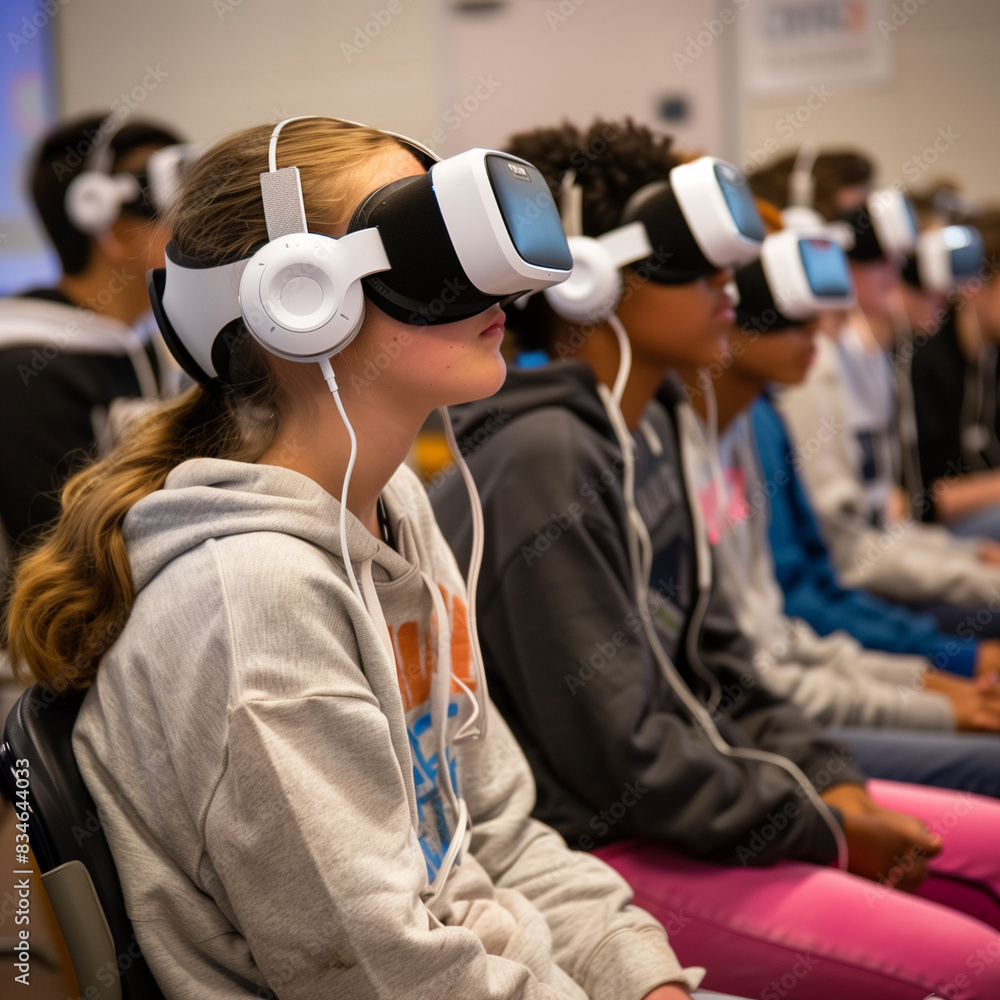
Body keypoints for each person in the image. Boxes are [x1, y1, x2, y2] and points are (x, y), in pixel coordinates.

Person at [4, 117, 717, 1000]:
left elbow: (493, 825)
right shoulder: (257, 604)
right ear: (297, 299)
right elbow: (385, 976)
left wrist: (644, 978)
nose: (493, 286)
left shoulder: (393, 509)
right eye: (430, 249)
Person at [431, 118, 1000, 1000]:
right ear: (590, 276)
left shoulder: (650, 431)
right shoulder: (545, 460)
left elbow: (722, 659)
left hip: (714, 805)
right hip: (611, 849)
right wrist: (819, 821)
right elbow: (627, 760)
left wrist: (825, 781)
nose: (733, 292)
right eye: (698, 267)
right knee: (973, 970)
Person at [672, 223, 1000, 797]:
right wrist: (939, 678)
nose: (818, 339)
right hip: (770, 714)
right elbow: (812, 601)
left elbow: (793, 617)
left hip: (813, 672)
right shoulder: (709, 432)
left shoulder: (756, 420)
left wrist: (928, 677)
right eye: (793, 320)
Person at [772, 197, 1000, 634]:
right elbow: (850, 558)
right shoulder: (816, 370)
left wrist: (968, 560)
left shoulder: (869, 361)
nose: (899, 272)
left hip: (875, 569)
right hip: (851, 594)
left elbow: (880, 525)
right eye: (883, 260)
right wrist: (971, 574)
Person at [911, 209, 1000, 541]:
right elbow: (926, 500)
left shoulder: (991, 358)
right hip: (933, 532)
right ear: (974, 285)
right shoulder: (926, 361)